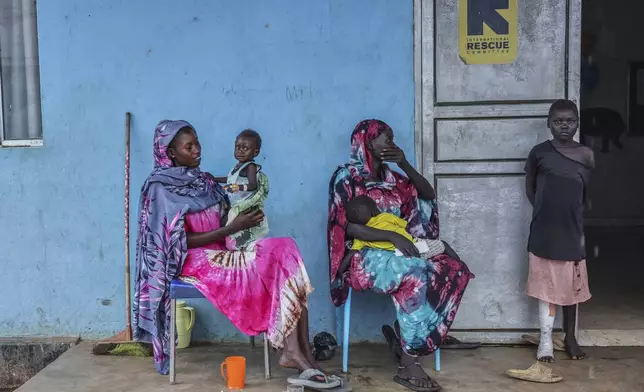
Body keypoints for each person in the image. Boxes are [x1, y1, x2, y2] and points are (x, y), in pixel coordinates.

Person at [133, 120, 337, 388]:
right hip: (194, 260)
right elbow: (177, 243)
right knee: (274, 263)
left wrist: (245, 221)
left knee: (284, 248)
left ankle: (302, 352)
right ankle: (294, 353)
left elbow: (233, 200)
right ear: (170, 153)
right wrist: (232, 228)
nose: (197, 150)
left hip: (223, 250)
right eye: (189, 146)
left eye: (197, 143)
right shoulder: (159, 188)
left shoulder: (201, 180)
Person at [328, 119, 474, 392]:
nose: (392, 143)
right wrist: (390, 236)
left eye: (393, 137)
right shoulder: (346, 177)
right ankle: (409, 365)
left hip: (400, 249)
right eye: (386, 138)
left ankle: (414, 336)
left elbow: (427, 195)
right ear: (368, 142)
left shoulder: (393, 179)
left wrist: (404, 164)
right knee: (418, 273)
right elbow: (344, 226)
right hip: (365, 256)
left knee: (454, 269)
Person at [525, 100, 593, 362]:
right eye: (558, 121)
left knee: (572, 284)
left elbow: (586, 192)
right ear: (548, 123)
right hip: (544, 228)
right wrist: (544, 211)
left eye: (570, 121)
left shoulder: (586, 154)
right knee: (545, 285)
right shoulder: (539, 153)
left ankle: (570, 337)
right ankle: (545, 340)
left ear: (577, 122)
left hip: (573, 229)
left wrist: (572, 214)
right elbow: (530, 188)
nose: (564, 125)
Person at [212, 129, 269, 250]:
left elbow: (253, 185)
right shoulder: (238, 166)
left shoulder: (251, 167)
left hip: (243, 204)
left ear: (255, 152)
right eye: (237, 147)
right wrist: (214, 179)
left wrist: (237, 187)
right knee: (226, 223)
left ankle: (243, 248)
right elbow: (230, 179)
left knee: (228, 224)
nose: (240, 151)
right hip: (235, 203)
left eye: (245, 148)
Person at [345, 195, 445, 257]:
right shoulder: (384, 217)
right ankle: (459, 264)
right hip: (414, 246)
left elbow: (352, 253)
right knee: (443, 245)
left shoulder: (360, 236)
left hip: (397, 256)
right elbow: (405, 226)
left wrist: (340, 271)